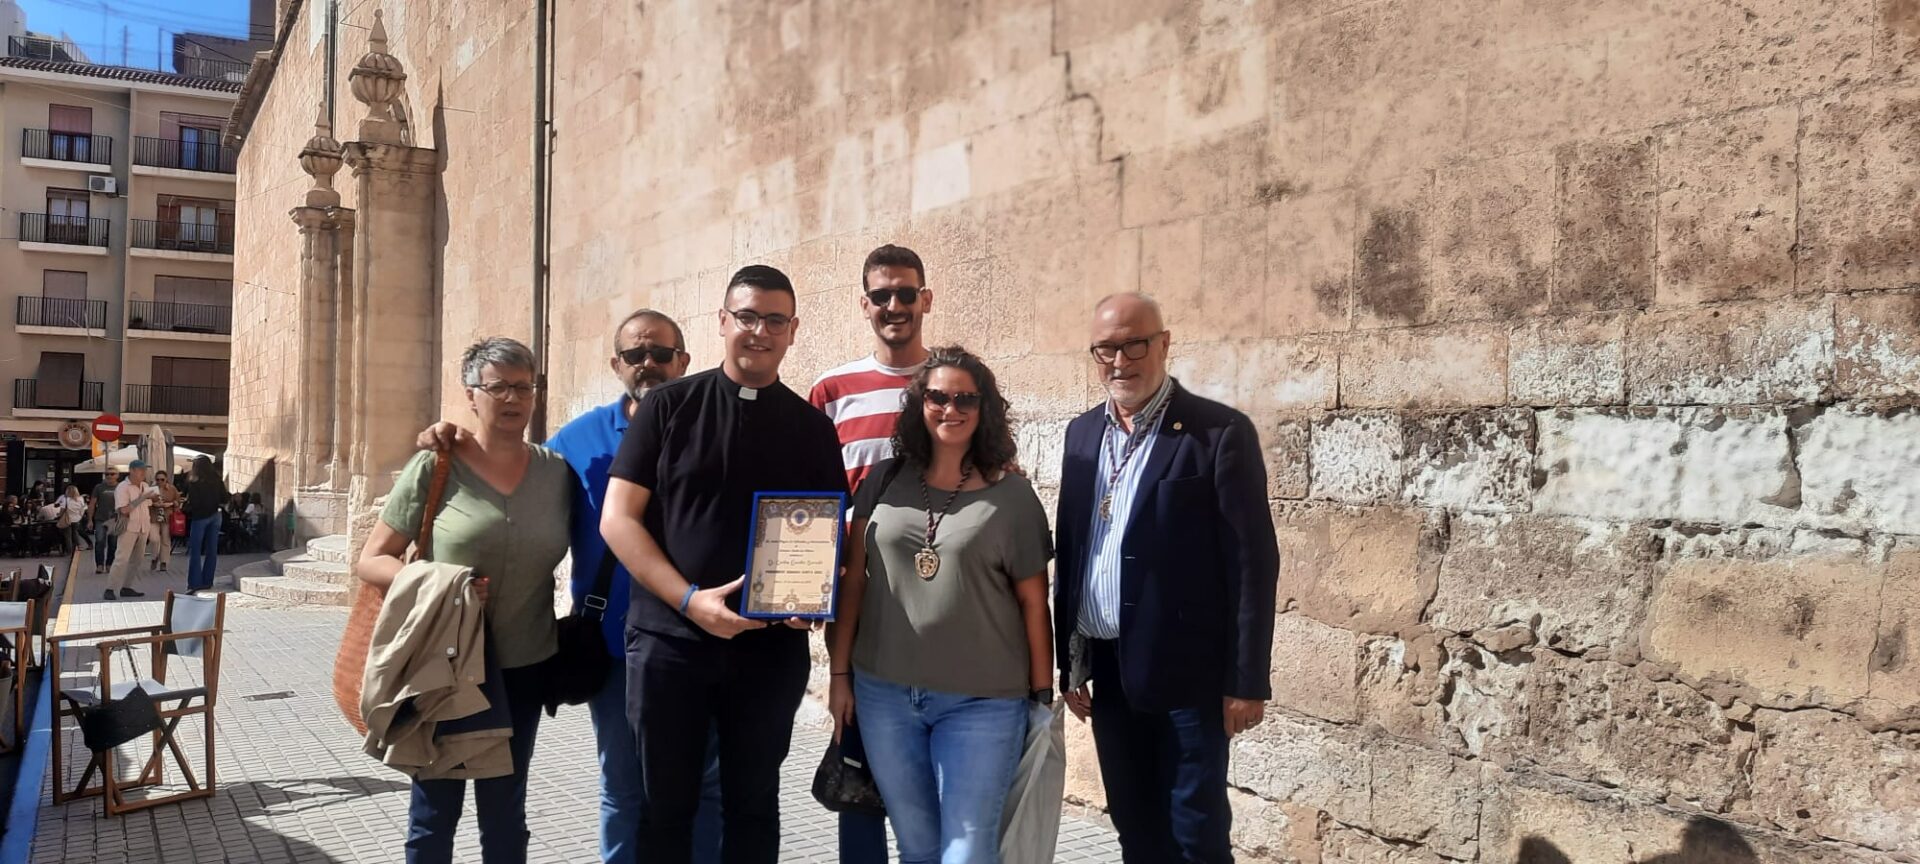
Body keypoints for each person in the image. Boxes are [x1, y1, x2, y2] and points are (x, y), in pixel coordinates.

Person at [416, 309, 721, 864]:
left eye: (660, 353)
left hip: (700, 636)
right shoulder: (578, 442)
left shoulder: (715, 427)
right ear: (616, 364)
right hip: (613, 643)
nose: (648, 364)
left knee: (704, 786)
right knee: (623, 786)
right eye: (635, 354)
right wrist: (452, 438)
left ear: (683, 361)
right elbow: (511, 470)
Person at [601, 265, 847, 863]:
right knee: (664, 810)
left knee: (754, 807)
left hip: (768, 651)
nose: (759, 331)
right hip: (669, 643)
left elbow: (828, 535)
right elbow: (618, 519)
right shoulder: (667, 407)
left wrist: (813, 600)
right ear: (722, 322)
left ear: (793, 331)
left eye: (774, 320)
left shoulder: (813, 429)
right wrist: (690, 602)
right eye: (747, 317)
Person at [1053, 293, 1280, 862]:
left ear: (1164, 344)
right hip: (1110, 670)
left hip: (1189, 678)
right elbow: (1074, 546)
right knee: (1135, 829)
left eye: (1135, 345)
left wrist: (1247, 679)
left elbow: (1252, 563)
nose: (1120, 361)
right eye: (1106, 349)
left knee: (1195, 836)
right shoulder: (1082, 434)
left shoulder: (1217, 433)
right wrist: (1071, 659)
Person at [827, 347, 1054, 864]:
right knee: (918, 849)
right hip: (884, 695)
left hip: (983, 703)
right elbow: (854, 582)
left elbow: (1034, 603)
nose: (951, 409)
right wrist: (840, 676)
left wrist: (1041, 699)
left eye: (965, 399)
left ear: (984, 408)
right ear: (919, 404)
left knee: (967, 852)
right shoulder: (884, 481)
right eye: (938, 397)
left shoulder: (1013, 496)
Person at [355, 337, 572, 863]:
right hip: (445, 668)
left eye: (524, 387)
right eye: (497, 387)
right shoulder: (436, 465)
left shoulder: (556, 472)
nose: (512, 398)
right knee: (434, 816)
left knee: (506, 815)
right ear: (471, 394)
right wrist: (442, 583)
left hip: (524, 665)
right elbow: (372, 559)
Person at [807, 243, 933, 861]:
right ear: (864, 304)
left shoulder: (956, 384)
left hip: (942, 607)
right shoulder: (831, 391)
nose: (894, 305)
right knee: (857, 768)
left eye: (906, 293)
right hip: (859, 608)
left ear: (925, 299)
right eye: (881, 295)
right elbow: (811, 502)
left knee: (929, 774)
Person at [106, 460, 161, 600]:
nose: (143, 473)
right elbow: (124, 510)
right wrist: (143, 497)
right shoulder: (122, 487)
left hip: (143, 527)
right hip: (129, 527)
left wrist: (154, 499)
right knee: (122, 558)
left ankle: (127, 587)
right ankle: (110, 588)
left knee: (137, 559)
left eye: (144, 470)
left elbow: (149, 504)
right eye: (140, 470)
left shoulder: (145, 486)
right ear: (131, 471)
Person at [183, 456, 229, 594]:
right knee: (212, 550)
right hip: (215, 515)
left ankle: (195, 583)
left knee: (196, 551)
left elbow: (194, 503)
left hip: (200, 518)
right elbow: (225, 498)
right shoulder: (217, 479)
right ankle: (207, 581)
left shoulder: (194, 482)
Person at [90, 470, 120, 574]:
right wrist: (90, 520)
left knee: (113, 543)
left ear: (117, 475)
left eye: (112, 474)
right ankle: (99, 565)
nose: (109, 476)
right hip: (100, 519)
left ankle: (109, 564)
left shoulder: (120, 487)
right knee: (99, 541)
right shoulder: (99, 487)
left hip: (115, 519)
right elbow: (92, 503)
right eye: (107, 474)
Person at [150, 471, 181, 571]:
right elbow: (146, 501)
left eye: (162, 479)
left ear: (166, 479)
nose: (160, 481)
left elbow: (178, 501)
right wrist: (154, 504)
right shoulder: (152, 489)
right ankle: (154, 557)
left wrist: (170, 504)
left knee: (165, 540)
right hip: (154, 516)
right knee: (154, 539)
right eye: (158, 479)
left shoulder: (172, 489)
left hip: (167, 517)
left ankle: (164, 562)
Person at [59, 485, 88, 554]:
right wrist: (80, 515)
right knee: (75, 533)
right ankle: (79, 546)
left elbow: (62, 510)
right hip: (77, 518)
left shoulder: (66, 499)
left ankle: (69, 551)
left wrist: (60, 515)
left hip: (67, 519)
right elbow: (83, 508)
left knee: (68, 535)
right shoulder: (80, 499)